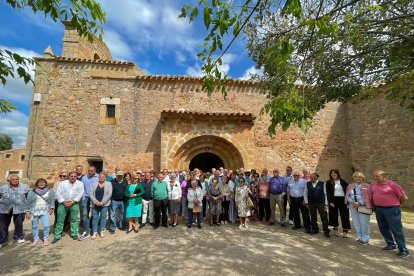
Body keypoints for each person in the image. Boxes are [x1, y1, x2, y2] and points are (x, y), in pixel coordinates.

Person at [372, 170, 410, 258]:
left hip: (392, 209)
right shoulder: (374, 185)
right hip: (379, 209)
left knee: (396, 230)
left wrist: (395, 204)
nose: (375, 178)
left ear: (384, 177)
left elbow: (403, 197)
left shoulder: (392, 185)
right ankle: (391, 244)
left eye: (377, 176)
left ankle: (404, 250)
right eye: (374, 176)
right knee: (383, 228)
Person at [52, 171, 84, 244]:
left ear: (76, 177)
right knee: (60, 220)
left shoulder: (80, 183)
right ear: (69, 176)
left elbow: (80, 193)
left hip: (74, 203)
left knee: (74, 219)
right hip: (63, 203)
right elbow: (58, 193)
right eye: (71, 176)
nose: (73, 177)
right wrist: (64, 202)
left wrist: (73, 202)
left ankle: (74, 233)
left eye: (74, 176)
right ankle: (57, 235)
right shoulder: (62, 183)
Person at [0, 175, 30, 248]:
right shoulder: (3, 188)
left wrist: (27, 211)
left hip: (20, 208)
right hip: (4, 208)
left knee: (19, 223)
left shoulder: (25, 187)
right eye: (13, 179)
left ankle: (19, 237)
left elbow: (28, 199)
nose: (16, 180)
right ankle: (2, 240)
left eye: (17, 179)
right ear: (9, 180)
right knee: (2, 225)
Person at [345, 172, 372, 245]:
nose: (358, 178)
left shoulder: (367, 186)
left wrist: (359, 203)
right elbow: (347, 196)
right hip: (352, 205)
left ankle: (365, 238)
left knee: (364, 223)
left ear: (363, 178)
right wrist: (352, 202)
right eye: (356, 177)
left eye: (360, 177)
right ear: (353, 178)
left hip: (363, 206)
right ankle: (360, 237)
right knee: (356, 222)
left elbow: (370, 198)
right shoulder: (350, 186)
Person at [27, 178, 55, 246]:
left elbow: (52, 200)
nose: (41, 184)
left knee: (46, 226)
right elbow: (28, 202)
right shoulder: (32, 191)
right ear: (37, 184)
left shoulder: (50, 191)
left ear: (45, 183)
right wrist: (27, 211)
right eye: (39, 182)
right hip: (34, 211)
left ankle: (45, 239)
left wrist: (51, 208)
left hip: (44, 210)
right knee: (34, 226)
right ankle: (35, 239)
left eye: (43, 182)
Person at [304, 173, 330, 237]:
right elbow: (305, 193)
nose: (311, 178)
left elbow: (326, 194)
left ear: (316, 177)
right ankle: (315, 229)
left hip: (321, 203)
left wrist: (326, 204)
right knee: (313, 217)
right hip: (311, 203)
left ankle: (326, 231)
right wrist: (306, 202)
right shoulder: (307, 184)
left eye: (312, 177)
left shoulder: (322, 184)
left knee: (324, 217)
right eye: (310, 177)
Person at [326, 169, 350, 238]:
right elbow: (328, 193)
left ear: (338, 174)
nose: (333, 174)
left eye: (335, 173)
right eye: (332, 173)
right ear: (330, 174)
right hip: (334, 200)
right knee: (333, 215)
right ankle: (335, 231)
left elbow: (348, 190)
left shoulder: (343, 181)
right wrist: (330, 202)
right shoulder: (329, 182)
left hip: (343, 199)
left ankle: (345, 232)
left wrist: (348, 200)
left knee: (344, 215)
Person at [89, 173, 112, 239]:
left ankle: (102, 231)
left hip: (104, 204)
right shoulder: (94, 184)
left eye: (102, 177)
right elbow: (90, 194)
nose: (101, 178)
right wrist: (96, 202)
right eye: (100, 177)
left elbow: (109, 194)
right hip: (95, 204)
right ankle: (94, 232)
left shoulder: (109, 184)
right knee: (95, 218)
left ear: (105, 178)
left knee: (103, 218)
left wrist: (102, 202)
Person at [79, 166, 99, 241]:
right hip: (86, 197)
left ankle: (94, 229)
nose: (90, 172)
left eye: (91, 171)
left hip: (94, 198)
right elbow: (82, 188)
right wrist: (83, 196)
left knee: (94, 214)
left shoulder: (98, 177)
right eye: (89, 171)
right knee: (85, 214)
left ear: (95, 171)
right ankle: (86, 230)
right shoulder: (84, 178)